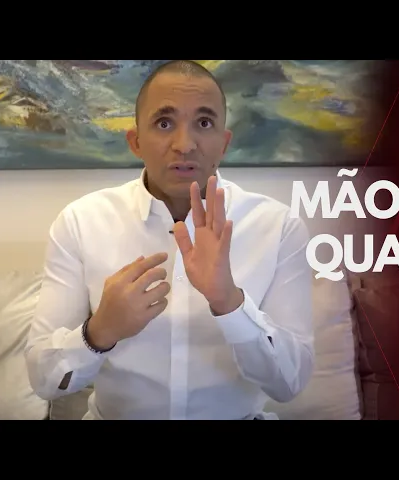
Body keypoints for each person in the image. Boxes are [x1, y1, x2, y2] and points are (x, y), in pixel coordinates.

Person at [24, 60, 315, 420]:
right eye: (164, 123)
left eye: (204, 123)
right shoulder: (81, 222)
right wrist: (99, 331)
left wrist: (230, 303)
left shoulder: (279, 227)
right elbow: (44, 380)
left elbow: (289, 384)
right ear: (136, 142)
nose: (185, 145)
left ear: (224, 143)